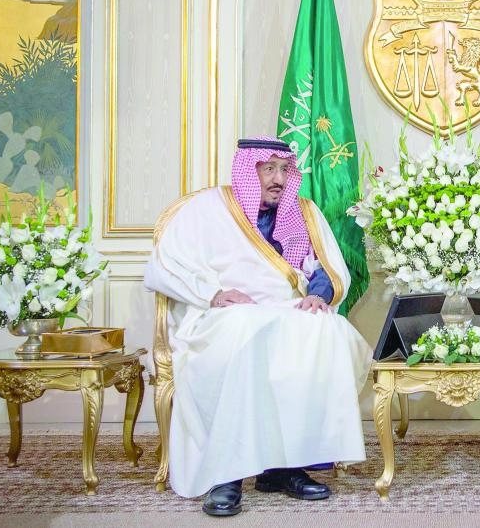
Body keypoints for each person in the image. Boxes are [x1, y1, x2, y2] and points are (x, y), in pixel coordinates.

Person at [144, 136, 372, 516]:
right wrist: (213, 293)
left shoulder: (303, 212)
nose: (278, 179)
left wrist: (318, 295)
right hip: (223, 315)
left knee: (324, 328)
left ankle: (285, 466)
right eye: (269, 169)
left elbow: (326, 266)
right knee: (244, 330)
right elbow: (165, 265)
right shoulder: (208, 209)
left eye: (284, 170)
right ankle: (226, 474)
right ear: (248, 171)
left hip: (286, 309)